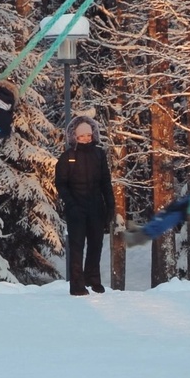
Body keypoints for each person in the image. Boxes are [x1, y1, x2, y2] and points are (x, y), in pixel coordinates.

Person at [55, 115, 115, 296]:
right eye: (82, 136)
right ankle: (77, 284)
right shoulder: (67, 157)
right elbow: (61, 184)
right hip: (76, 209)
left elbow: (106, 181)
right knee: (77, 247)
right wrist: (71, 204)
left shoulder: (99, 154)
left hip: (96, 207)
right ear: (75, 137)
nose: (86, 139)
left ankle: (93, 280)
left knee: (96, 245)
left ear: (93, 135)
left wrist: (110, 206)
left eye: (88, 135)